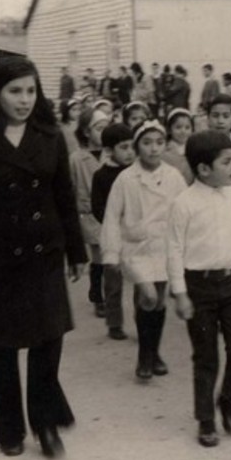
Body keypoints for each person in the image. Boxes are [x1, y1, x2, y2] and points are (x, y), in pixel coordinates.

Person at [0, 56, 88, 459]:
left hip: (43, 254)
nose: (25, 100)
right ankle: (9, 429)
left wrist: (76, 252)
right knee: (2, 348)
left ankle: (45, 425)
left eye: (30, 90)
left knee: (48, 343)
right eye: (15, 91)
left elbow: (64, 196)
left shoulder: (50, 136)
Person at [166, 130, 231, 448]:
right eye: (227, 162)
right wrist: (180, 292)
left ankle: (228, 397)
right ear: (204, 169)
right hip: (199, 288)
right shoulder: (184, 203)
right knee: (205, 355)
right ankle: (206, 419)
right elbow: (174, 250)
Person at [100, 120, 187, 380]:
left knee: (158, 301)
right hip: (136, 247)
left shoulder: (173, 176)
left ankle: (152, 352)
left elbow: (186, 210)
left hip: (163, 247)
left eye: (159, 142)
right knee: (147, 296)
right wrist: (111, 254)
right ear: (137, 146)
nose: (153, 149)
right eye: (147, 143)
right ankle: (143, 357)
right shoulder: (126, 179)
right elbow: (112, 217)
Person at [91, 123, 136, 340]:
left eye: (132, 147)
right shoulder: (101, 176)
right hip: (113, 235)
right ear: (109, 151)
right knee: (113, 281)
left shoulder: (137, 173)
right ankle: (114, 322)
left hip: (137, 234)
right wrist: (114, 222)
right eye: (124, 147)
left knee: (141, 277)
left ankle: (144, 321)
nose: (130, 152)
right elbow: (97, 207)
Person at [71, 107, 110, 318]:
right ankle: (97, 295)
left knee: (109, 255)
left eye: (106, 128)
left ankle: (102, 291)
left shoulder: (112, 155)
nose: (103, 132)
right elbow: (71, 186)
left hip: (110, 211)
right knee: (98, 254)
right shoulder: (77, 159)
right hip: (89, 213)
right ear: (86, 132)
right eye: (98, 128)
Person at [161, 107, 194, 185]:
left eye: (187, 127)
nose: (183, 131)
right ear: (169, 130)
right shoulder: (165, 151)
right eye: (178, 127)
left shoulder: (194, 149)